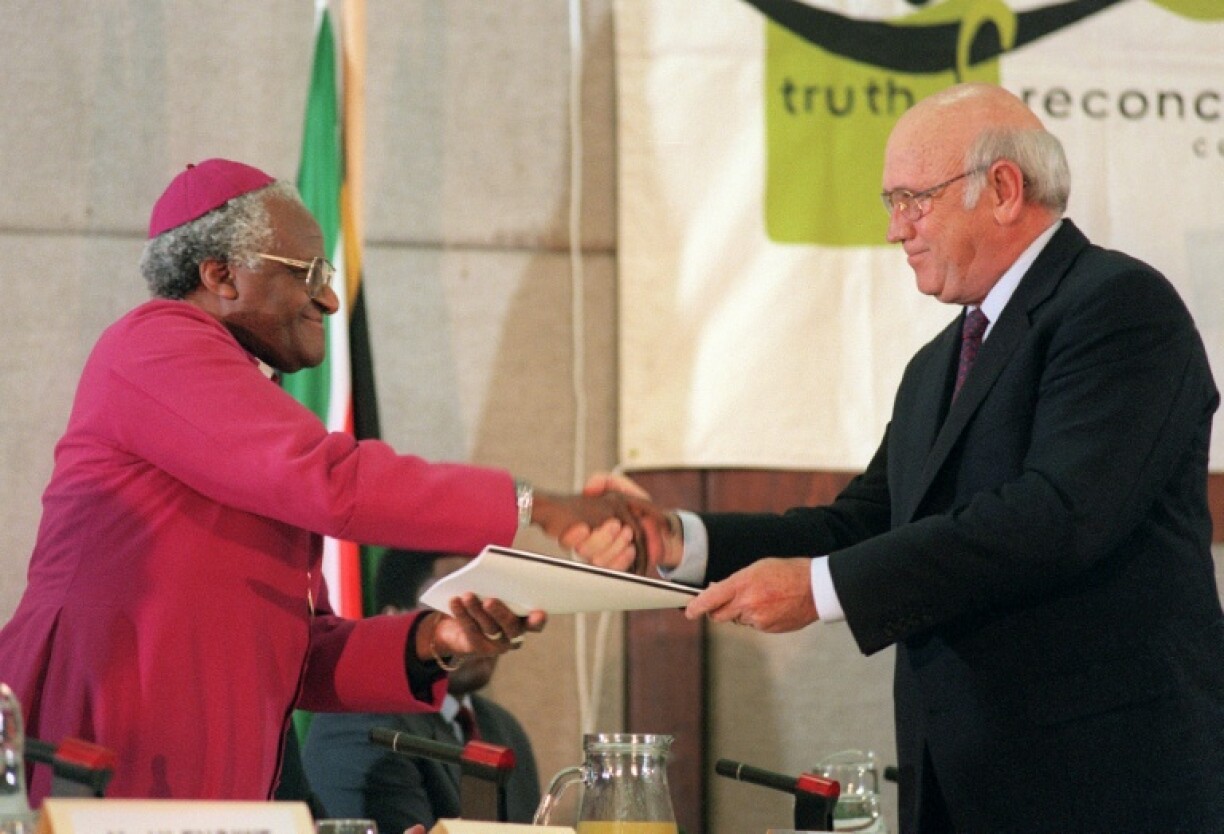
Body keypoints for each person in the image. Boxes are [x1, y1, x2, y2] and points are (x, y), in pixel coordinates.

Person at [571, 84, 1224, 832]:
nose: (895, 231)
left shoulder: (1119, 307)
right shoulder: (936, 364)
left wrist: (820, 590)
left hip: (1103, 785)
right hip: (956, 783)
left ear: (1004, 189)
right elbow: (862, 524)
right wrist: (682, 541)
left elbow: (1056, 517)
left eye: (913, 199)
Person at [0, 158, 652, 806]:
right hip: (98, 736)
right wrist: (538, 505)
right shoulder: (154, 345)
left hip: (213, 776)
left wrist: (435, 641)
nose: (329, 299)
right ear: (220, 275)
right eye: (308, 274)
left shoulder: (244, 402)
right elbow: (332, 481)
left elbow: (301, 656)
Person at [304, 551, 541, 830]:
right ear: (395, 620)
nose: (483, 627)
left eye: (489, 610)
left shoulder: (503, 728)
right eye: (459, 609)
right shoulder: (360, 724)